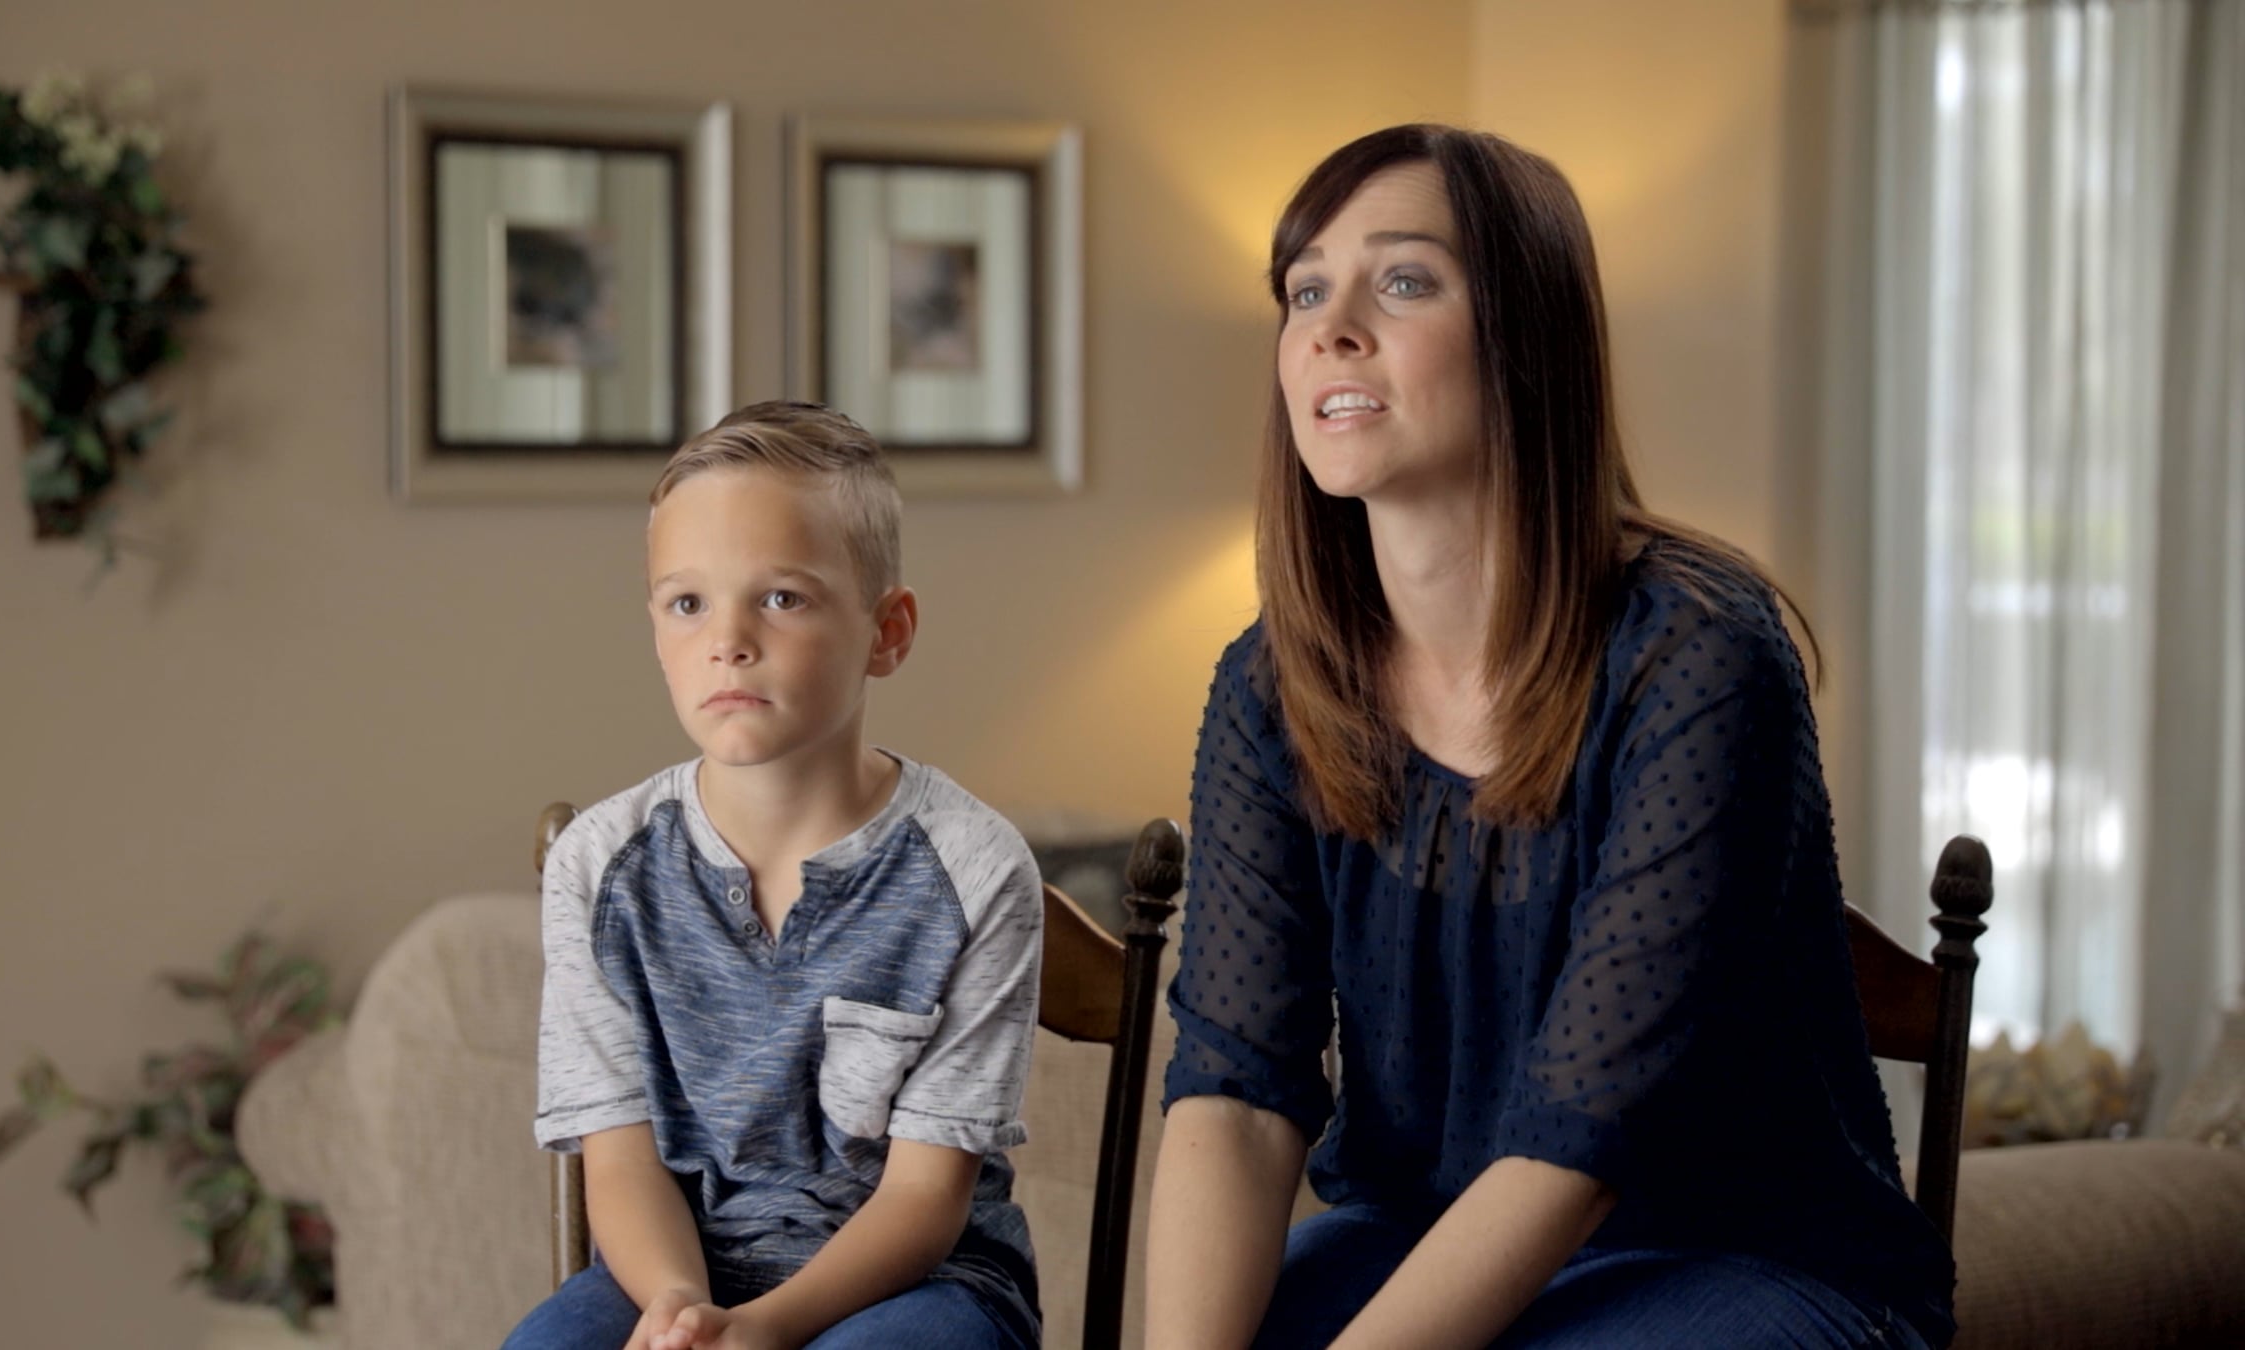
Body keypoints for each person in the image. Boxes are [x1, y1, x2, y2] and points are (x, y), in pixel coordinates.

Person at [1142, 125, 1956, 1350]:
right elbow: (1238, 1098)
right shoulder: (1268, 688)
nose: (1331, 329)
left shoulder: (1699, 657)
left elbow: (1585, 1139)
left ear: (1524, 336)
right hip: (1418, 1233)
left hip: (1744, 1257)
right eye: (1304, 291)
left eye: (1403, 280)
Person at [504, 402, 1044, 1350]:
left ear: (887, 631)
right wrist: (684, 1312)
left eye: (782, 598)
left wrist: (763, 1330)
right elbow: (620, 1163)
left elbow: (926, 1196)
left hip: (922, 1285)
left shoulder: (976, 871)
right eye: (688, 604)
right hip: (674, 1267)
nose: (729, 640)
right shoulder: (599, 866)